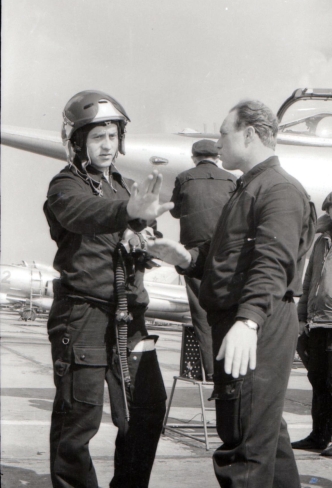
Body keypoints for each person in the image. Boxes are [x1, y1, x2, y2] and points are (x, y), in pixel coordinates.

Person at [147, 100, 317, 488]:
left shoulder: (278, 190)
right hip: (247, 318)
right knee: (266, 439)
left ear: (250, 134)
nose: (218, 142)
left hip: (257, 321)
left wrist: (248, 320)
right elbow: (229, 253)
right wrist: (187, 258)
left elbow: (274, 261)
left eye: (225, 132)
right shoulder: (248, 188)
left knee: (243, 446)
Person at [43, 90, 173, 488]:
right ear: (78, 141)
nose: (107, 145)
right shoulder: (65, 186)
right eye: (98, 137)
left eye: (113, 136)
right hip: (83, 315)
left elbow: (138, 224)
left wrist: (146, 241)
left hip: (129, 316)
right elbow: (82, 214)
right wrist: (128, 214)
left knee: (147, 411)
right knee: (77, 423)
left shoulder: (125, 187)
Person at [170, 139, 236, 379]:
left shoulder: (184, 177)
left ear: (193, 157)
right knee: (228, 310)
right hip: (225, 251)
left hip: (195, 255)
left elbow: (176, 211)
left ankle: (212, 373)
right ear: (217, 157)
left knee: (202, 314)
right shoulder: (231, 179)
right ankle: (231, 372)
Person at [291, 192, 332, 457]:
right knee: (318, 381)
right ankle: (319, 436)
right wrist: (302, 316)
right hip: (316, 324)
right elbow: (309, 282)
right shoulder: (321, 242)